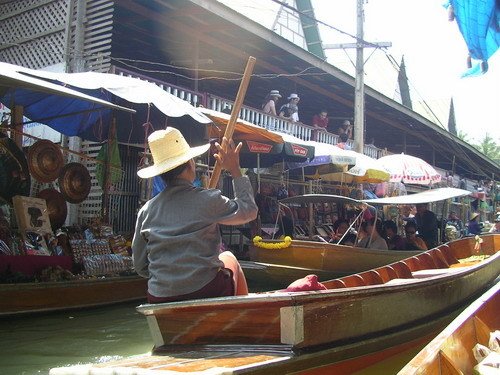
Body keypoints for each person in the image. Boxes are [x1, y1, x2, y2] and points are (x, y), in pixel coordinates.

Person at [132, 128, 258, 303]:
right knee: (230, 258)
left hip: (158, 296)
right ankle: (244, 315)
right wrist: (235, 170)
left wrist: (170, 279)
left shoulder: (146, 210)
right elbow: (249, 211)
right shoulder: (208, 199)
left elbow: (140, 265)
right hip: (206, 290)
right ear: (190, 164)